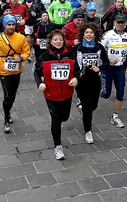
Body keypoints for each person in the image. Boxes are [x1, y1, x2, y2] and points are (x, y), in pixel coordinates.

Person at [33, 30, 80, 160]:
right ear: (50, 41)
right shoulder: (44, 57)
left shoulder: (70, 54)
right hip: (51, 94)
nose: (58, 42)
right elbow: (36, 72)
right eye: (55, 39)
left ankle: (61, 121)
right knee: (56, 118)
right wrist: (39, 84)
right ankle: (58, 146)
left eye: (60, 39)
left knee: (64, 117)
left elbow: (77, 69)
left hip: (67, 93)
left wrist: (76, 78)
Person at [0, 15, 31, 133]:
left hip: (16, 70)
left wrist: (22, 57)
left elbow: (27, 52)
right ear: (5, 25)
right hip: (3, 70)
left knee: (12, 95)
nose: (11, 27)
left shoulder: (21, 37)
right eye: (9, 24)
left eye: (13, 25)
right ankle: (6, 117)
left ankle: (7, 111)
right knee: (7, 95)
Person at [101, 14, 127, 128]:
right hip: (108, 69)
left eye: (122, 23)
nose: (120, 25)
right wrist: (108, 59)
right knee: (106, 94)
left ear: (125, 24)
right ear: (114, 23)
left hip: (120, 68)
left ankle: (115, 116)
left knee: (120, 93)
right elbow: (100, 49)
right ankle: (94, 92)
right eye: (118, 22)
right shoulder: (108, 35)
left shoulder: (126, 36)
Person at [72, 23, 109, 144]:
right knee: (87, 107)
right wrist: (77, 74)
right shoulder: (77, 48)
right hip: (82, 81)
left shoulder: (99, 47)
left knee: (93, 106)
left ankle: (83, 107)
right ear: (82, 34)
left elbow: (107, 62)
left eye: (91, 33)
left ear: (95, 34)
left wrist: (100, 68)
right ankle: (88, 131)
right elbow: (71, 63)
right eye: (86, 32)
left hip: (95, 80)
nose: (88, 35)